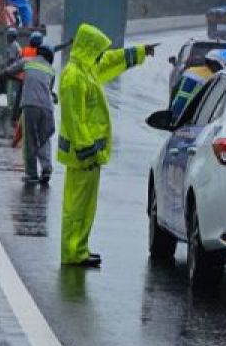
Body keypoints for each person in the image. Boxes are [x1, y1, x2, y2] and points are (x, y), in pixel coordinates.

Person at [58, 24, 155, 267]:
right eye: (98, 50)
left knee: (85, 207)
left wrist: (139, 52)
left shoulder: (86, 70)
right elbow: (74, 118)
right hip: (84, 155)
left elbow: (111, 60)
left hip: (90, 155)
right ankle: (72, 252)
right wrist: (86, 149)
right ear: (88, 48)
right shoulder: (74, 77)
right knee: (76, 207)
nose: (101, 55)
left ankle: (79, 249)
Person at [6, 45, 58, 184]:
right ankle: (46, 169)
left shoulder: (27, 62)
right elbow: (48, 88)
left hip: (30, 105)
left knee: (30, 139)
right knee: (45, 137)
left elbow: (8, 71)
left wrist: (21, 80)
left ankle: (32, 174)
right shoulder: (51, 70)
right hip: (47, 107)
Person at [169, 49, 226, 121]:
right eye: (218, 67)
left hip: (178, 113)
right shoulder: (214, 78)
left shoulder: (190, 70)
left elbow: (175, 91)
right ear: (217, 65)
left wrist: (171, 110)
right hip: (194, 117)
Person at [4, 27, 23, 123]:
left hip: (13, 74)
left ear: (12, 36)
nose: (7, 37)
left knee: (11, 93)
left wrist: (6, 70)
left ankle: (12, 113)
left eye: (8, 35)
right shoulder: (15, 45)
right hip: (15, 73)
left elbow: (11, 60)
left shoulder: (13, 46)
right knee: (13, 92)